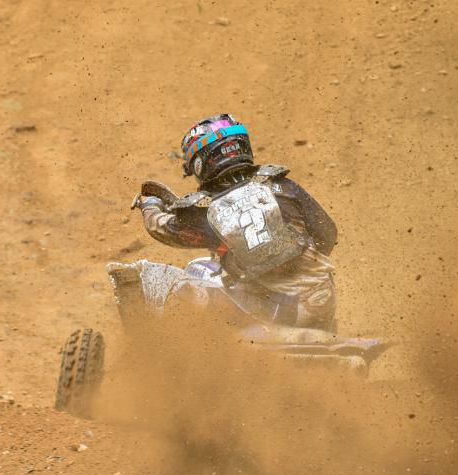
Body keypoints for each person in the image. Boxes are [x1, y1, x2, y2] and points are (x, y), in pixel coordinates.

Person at [136, 114, 338, 330]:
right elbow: (327, 233)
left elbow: (162, 228)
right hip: (322, 300)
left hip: (274, 312)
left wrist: (150, 205)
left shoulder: (206, 210)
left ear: (199, 161)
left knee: (198, 269)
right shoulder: (284, 186)